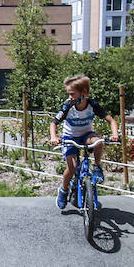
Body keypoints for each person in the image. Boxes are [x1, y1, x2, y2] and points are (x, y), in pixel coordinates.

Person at [49, 75, 120, 211]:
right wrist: (54, 137)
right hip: (70, 138)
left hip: (86, 135)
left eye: (72, 94)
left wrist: (115, 134)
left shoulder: (92, 104)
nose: (70, 97)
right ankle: (63, 190)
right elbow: (54, 123)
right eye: (68, 94)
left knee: (98, 142)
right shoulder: (68, 106)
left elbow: (111, 120)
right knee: (72, 167)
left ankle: (97, 167)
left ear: (84, 93)